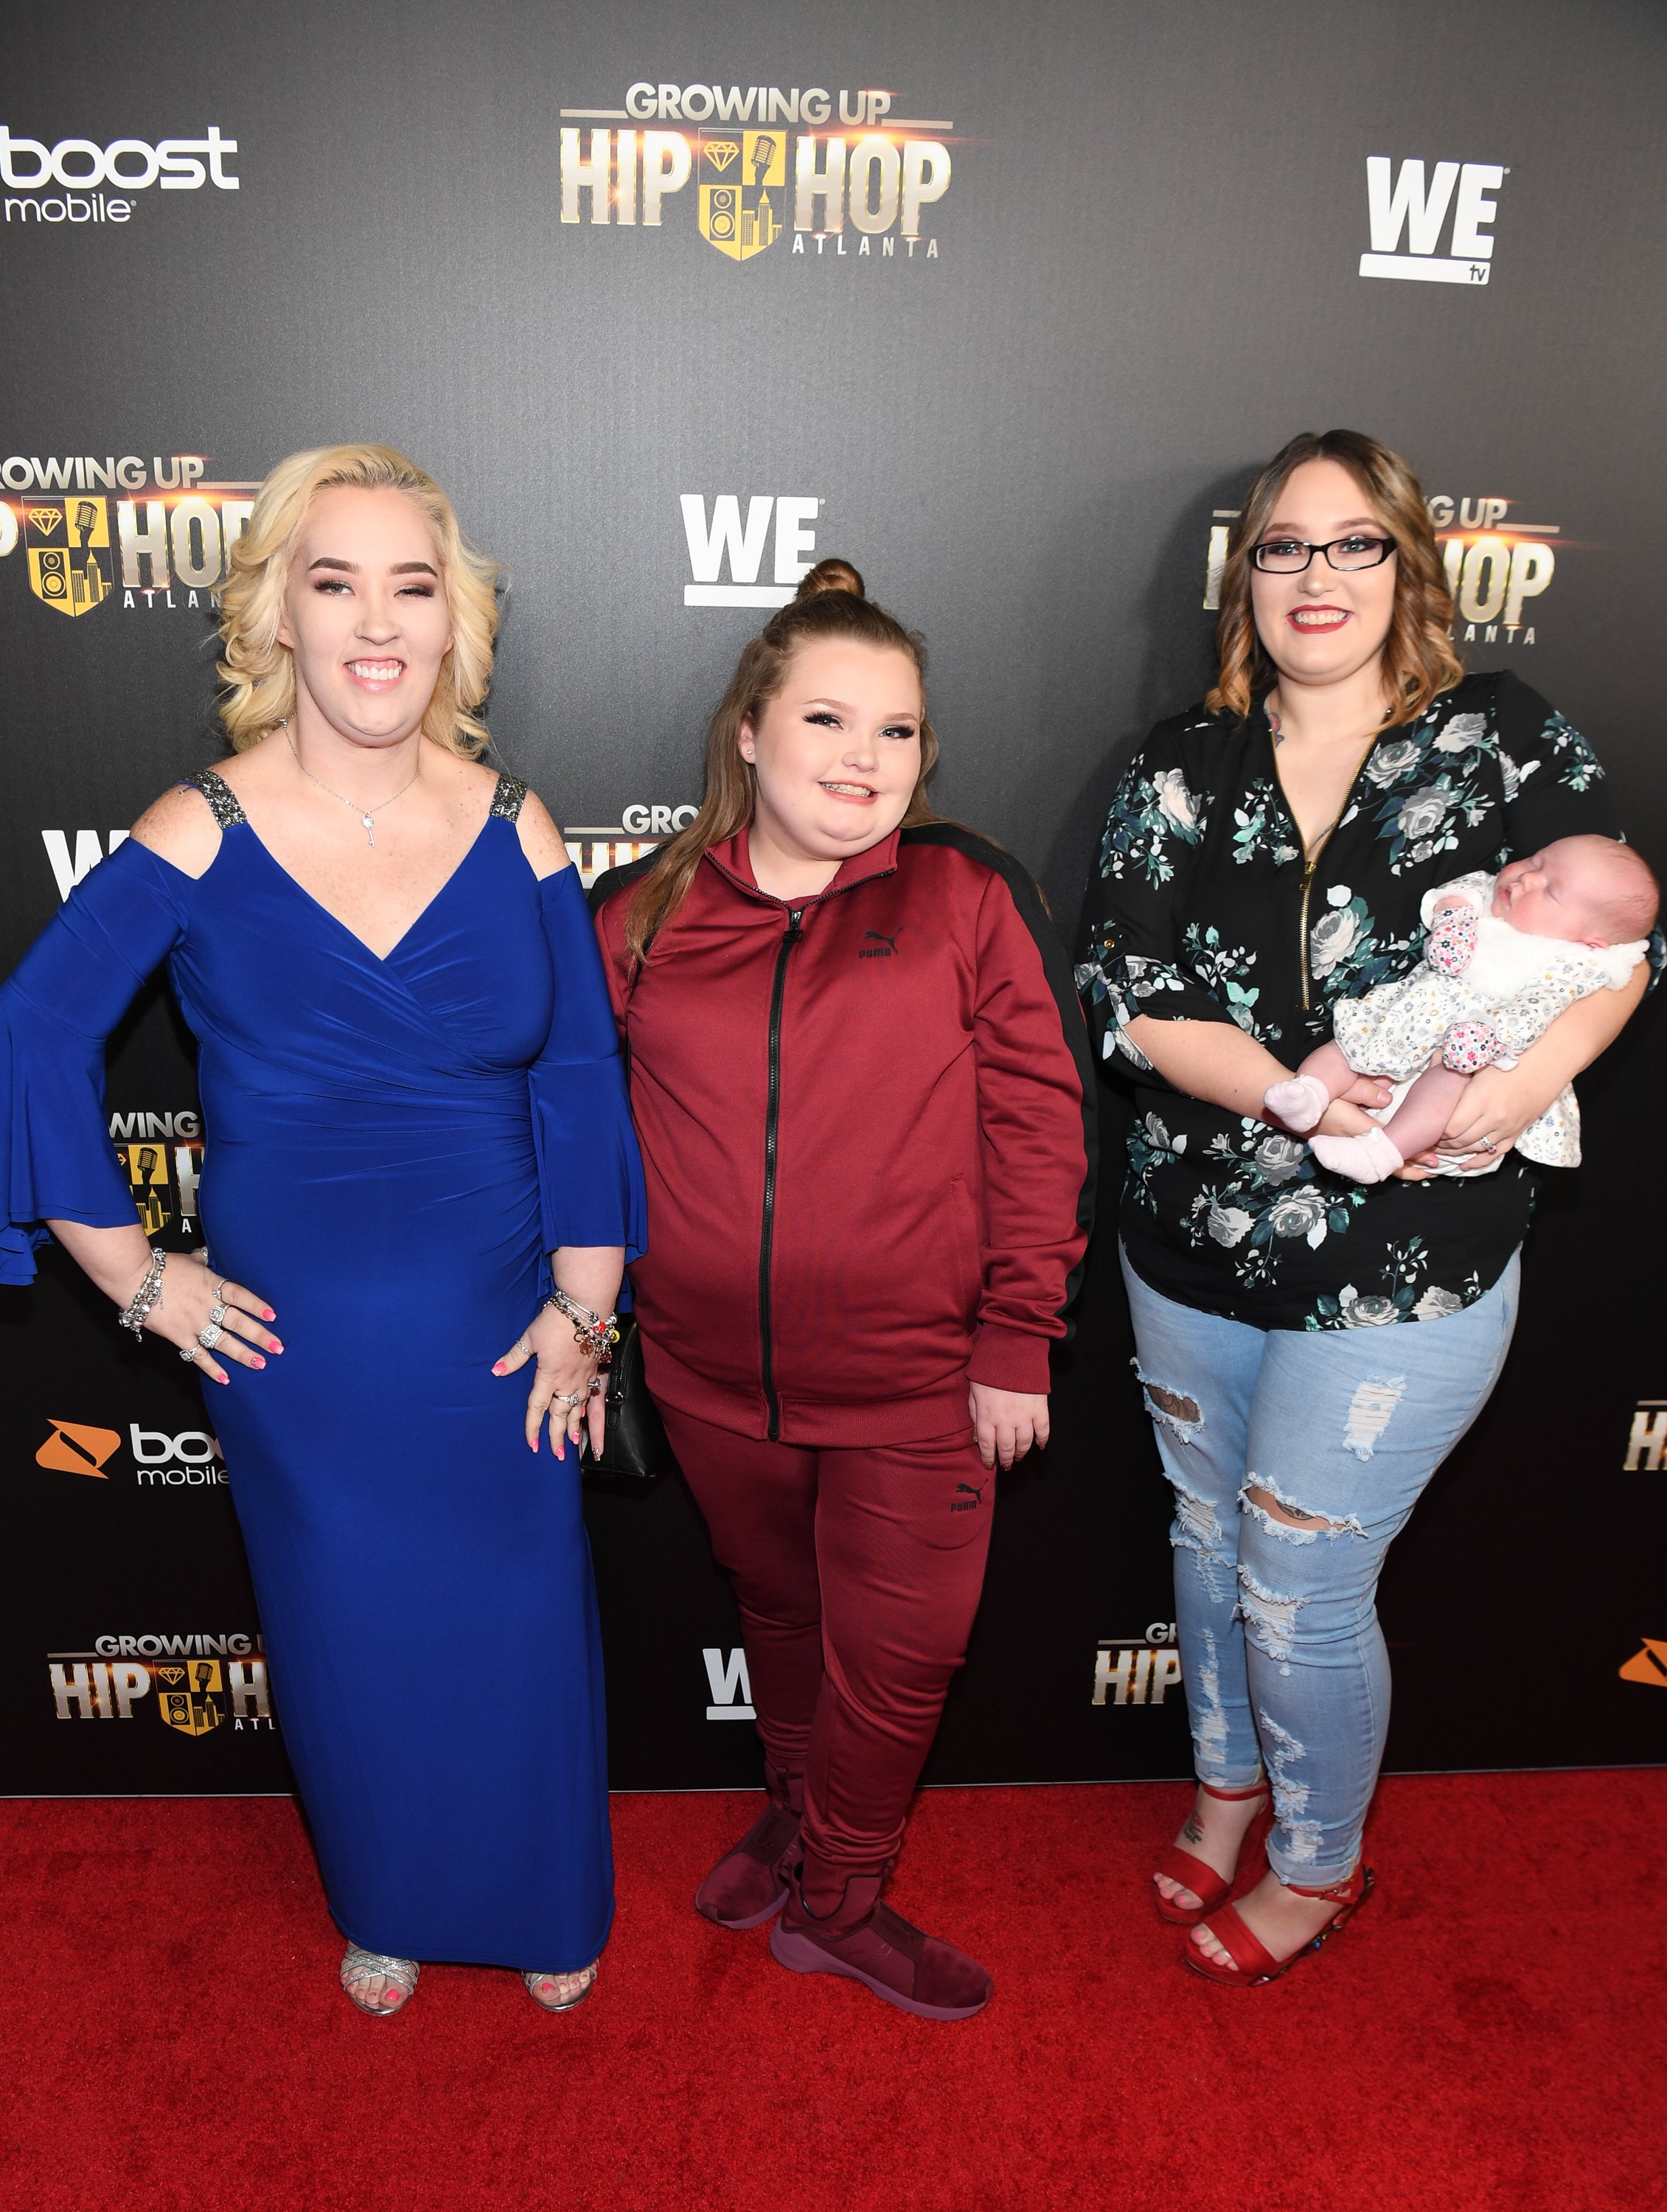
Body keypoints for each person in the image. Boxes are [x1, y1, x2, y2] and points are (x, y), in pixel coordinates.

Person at [0, 444, 646, 2017]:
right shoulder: (201, 826)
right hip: (299, 1354)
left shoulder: (519, 823)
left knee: (517, 1615)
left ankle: (544, 1897)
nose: (375, 622)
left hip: (508, 1328)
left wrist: (586, 1308)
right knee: (344, 1626)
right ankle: (392, 1895)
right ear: (275, 615)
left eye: (410, 587)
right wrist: (128, 1269)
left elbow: (574, 1072)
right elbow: (35, 1023)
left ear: (453, 626)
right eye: (333, 580)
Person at [1076, 429, 1652, 1986]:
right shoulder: (1170, 767)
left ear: (1405, 565)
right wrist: (1282, 1092)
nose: (1313, 577)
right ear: (1239, 577)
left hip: (1408, 1266)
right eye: (1280, 546)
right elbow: (1126, 1000)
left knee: (1297, 1580)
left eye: (1350, 545)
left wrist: (1510, 1103)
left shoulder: (1502, 739)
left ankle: (1319, 1865)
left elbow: (1619, 952)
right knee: (1202, 1545)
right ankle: (1220, 1791)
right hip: (1188, 1239)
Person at [591, 560, 1094, 2019]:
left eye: (894, 732)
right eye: (826, 720)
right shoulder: (639, 911)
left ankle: (838, 1898)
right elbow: (573, 1121)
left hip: (920, 1381)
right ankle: (798, 1817)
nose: (862, 761)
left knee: (897, 1656)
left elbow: (1036, 1123)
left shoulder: (962, 893)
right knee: (779, 1615)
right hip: (701, 1375)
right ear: (748, 730)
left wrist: (1014, 1336)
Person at [1267, 837, 1656, 1180]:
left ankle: (1381, 1153)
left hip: (1474, 1043)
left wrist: (1492, 1035)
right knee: (1351, 1044)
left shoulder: (1571, 964)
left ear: (1592, 942)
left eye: (1551, 892)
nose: (1526, 879)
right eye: (1536, 861)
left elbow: (1536, 1010)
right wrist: (1454, 918)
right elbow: (1458, 892)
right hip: (1414, 1013)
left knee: (1446, 1085)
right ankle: (1307, 1093)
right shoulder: (1488, 893)